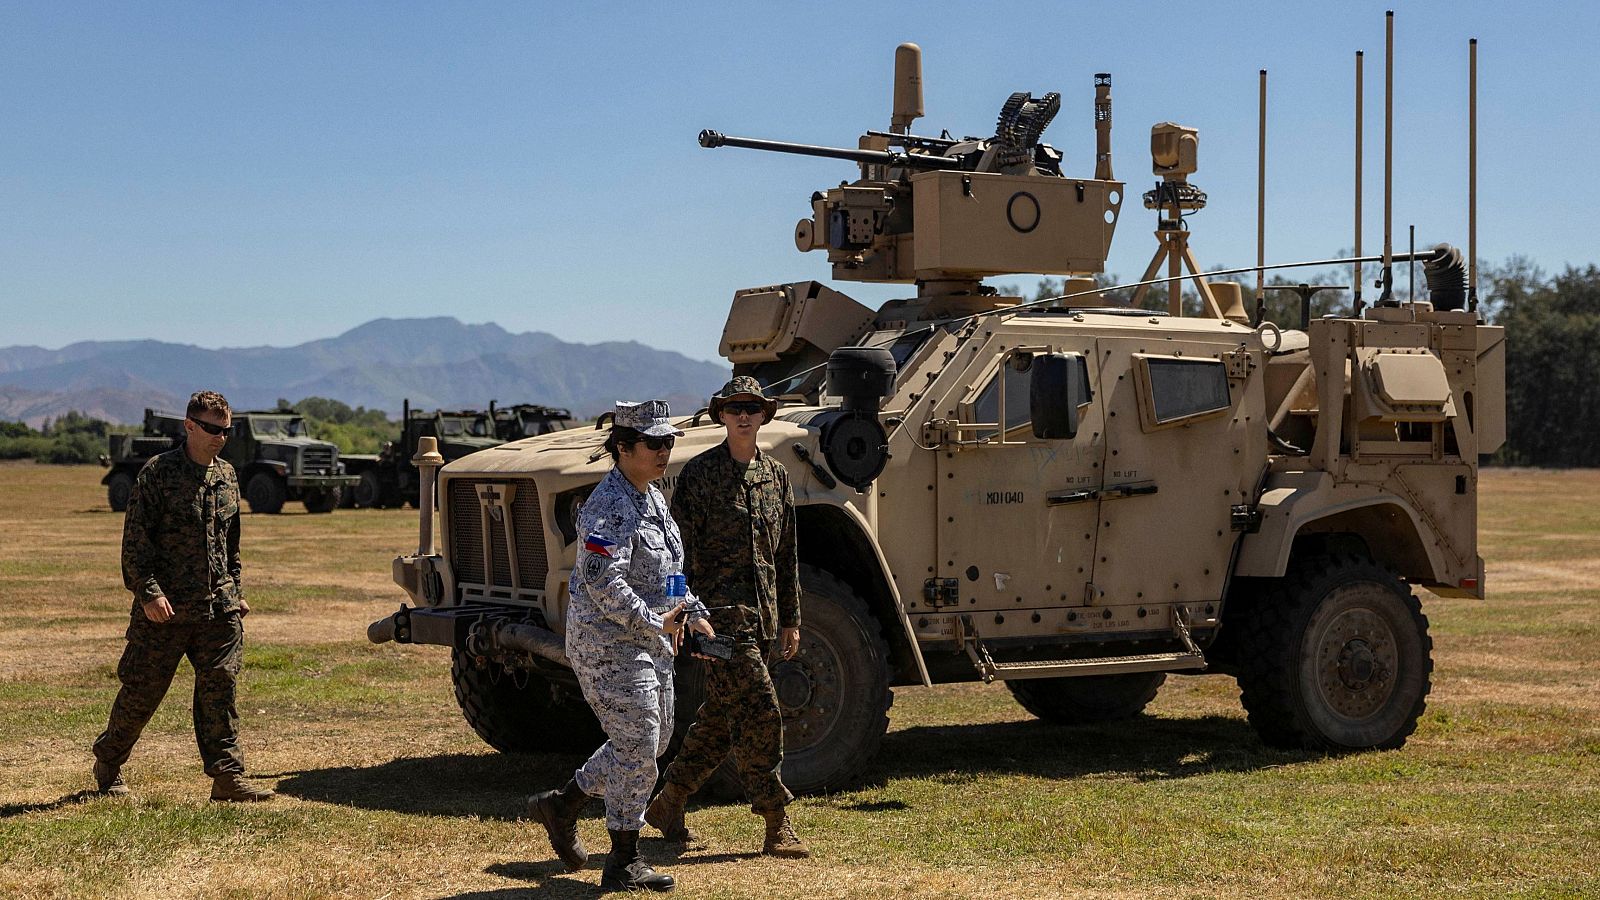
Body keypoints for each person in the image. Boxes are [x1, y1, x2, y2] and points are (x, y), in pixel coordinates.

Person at [528, 400, 715, 893]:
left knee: (648, 743)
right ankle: (624, 857)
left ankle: (563, 804)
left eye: (668, 442)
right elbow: (598, 577)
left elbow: (671, 573)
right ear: (624, 448)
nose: (664, 450)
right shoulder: (608, 504)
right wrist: (652, 620)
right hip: (609, 643)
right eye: (654, 443)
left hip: (652, 642)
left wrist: (693, 612)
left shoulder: (652, 498)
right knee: (638, 742)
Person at [646, 376, 809, 858]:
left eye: (752, 409)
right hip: (713, 622)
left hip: (761, 618)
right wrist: (677, 611)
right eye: (735, 408)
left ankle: (669, 801)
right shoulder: (699, 474)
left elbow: (787, 553)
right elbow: (673, 554)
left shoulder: (776, 476)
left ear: (764, 415)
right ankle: (776, 819)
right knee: (761, 709)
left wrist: (790, 617)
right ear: (721, 414)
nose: (743, 416)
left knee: (722, 717)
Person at [92, 390, 274, 802]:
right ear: (189, 426)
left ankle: (227, 778)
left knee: (220, 688)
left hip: (218, 609)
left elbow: (232, 546)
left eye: (227, 430)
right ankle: (109, 761)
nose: (220, 437)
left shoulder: (227, 475)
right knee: (142, 692)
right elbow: (135, 544)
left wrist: (236, 590)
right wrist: (149, 594)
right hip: (166, 611)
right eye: (212, 429)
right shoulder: (158, 473)